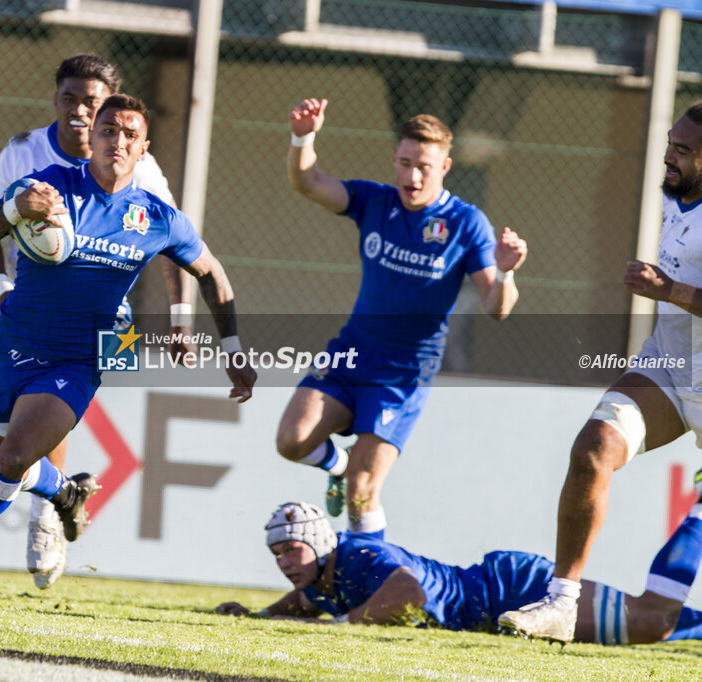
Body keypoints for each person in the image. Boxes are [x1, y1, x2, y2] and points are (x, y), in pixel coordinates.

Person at [0, 94, 257, 605]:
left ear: (144, 149)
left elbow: (212, 274)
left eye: (131, 134)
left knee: (13, 459)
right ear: (93, 138)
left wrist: (231, 348)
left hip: (80, 359)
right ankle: (65, 492)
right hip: (13, 345)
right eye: (109, 130)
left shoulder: (157, 216)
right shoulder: (45, 185)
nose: (118, 141)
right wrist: (17, 209)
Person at [0, 54, 196, 589]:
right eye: (69, 98)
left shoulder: (135, 159)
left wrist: (180, 320)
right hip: (30, 313)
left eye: (90, 102)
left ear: (106, 111)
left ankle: (46, 516)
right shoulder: (24, 151)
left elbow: (175, 245)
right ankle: (60, 492)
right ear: (57, 100)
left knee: (64, 372)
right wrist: (2, 291)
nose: (79, 111)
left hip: (107, 318)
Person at [276, 98, 528, 537]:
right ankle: (335, 466)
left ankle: (365, 588)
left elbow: (497, 307)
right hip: (353, 350)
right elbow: (307, 182)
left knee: (362, 491)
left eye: (424, 167)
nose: (413, 176)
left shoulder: (466, 223)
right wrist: (303, 136)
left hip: (404, 370)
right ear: (393, 159)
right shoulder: (375, 201)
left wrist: (505, 272)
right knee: (292, 440)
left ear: (445, 166)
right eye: (406, 163)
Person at [499, 101, 702, 643]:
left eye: (682, 150)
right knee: (593, 449)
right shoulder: (675, 195)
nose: (668, 156)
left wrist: (669, 291)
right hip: (669, 364)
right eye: (670, 143)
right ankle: (561, 604)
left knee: (663, 606)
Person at [216, 501, 702, 645]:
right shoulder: (320, 576)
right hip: (495, 599)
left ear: (319, 543)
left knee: (650, 622)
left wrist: (343, 626)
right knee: (650, 622)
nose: (284, 562)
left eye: (291, 550)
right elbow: (303, 603)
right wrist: (259, 615)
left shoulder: (358, 555)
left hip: (510, 589)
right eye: (276, 554)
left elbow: (410, 593)